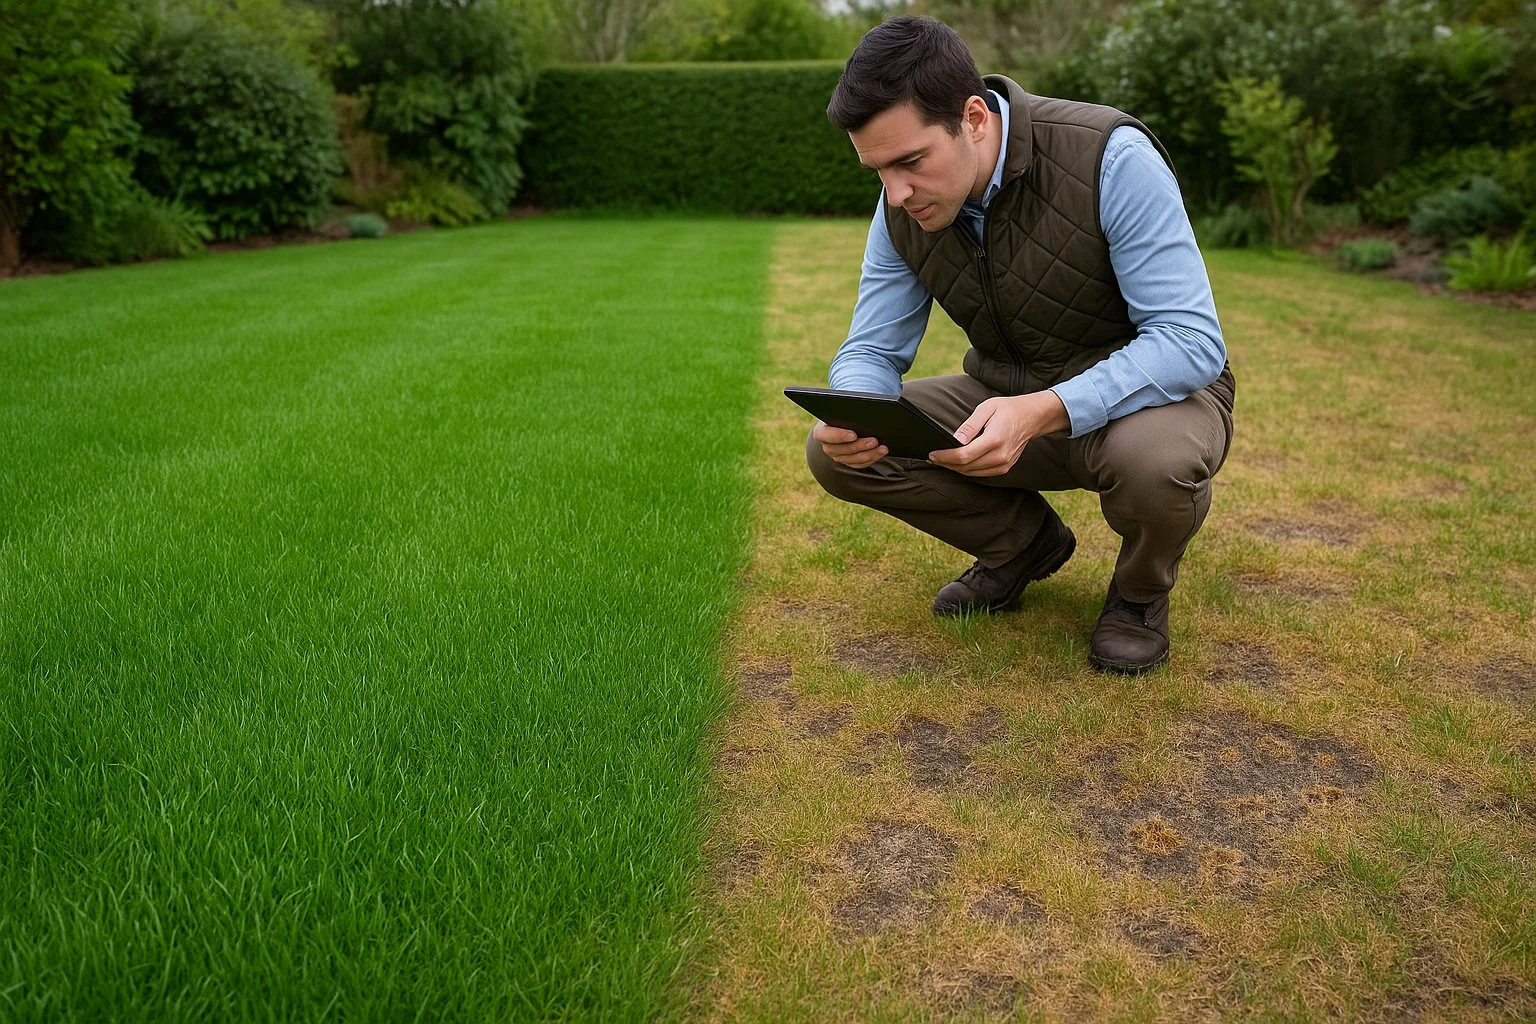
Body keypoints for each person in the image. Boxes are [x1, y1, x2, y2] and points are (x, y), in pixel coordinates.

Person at [805, 15, 1235, 674]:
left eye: (911, 162)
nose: (896, 192)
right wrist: (856, 407)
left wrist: (1042, 410)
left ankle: (1139, 595)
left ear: (974, 117)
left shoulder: (1110, 156)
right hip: (1003, 393)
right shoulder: (902, 204)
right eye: (878, 170)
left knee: (1155, 463)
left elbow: (1191, 340)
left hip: (1148, 404)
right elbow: (872, 345)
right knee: (834, 452)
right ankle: (1025, 547)